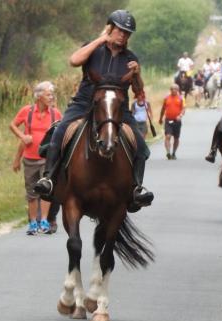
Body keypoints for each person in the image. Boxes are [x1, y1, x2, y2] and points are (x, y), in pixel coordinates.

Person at [34, 10, 154, 211]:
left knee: (141, 147)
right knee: (59, 132)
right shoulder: (93, 49)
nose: (123, 35)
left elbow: (139, 92)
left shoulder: (131, 58)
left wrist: (137, 74)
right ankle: (49, 179)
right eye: (120, 31)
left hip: (118, 109)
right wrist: (101, 40)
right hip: (84, 103)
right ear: (110, 28)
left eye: (127, 33)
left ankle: (136, 189)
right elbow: (74, 60)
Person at [10, 81, 62, 235]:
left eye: (52, 94)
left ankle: (44, 221)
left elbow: (63, 132)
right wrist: (22, 136)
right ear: (39, 97)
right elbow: (12, 125)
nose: (51, 97)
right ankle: (33, 223)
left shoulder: (56, 114)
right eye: (48, 94)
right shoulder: (27, 111)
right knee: (32, 192)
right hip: (30, 159)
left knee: (46, 190)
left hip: (48, 160)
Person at [159, 84, 185, 160]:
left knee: (176, 138)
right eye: (172, 89)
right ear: (170, 90)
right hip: (168, 120)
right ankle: (168, 152)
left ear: (178, 90)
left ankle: (174, 153)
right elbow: (163, 109)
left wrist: (180, 115)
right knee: (168, 136)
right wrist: (160, 118)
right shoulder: (166, 98)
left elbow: (183, 109)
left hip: (177, 121)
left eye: (175, 89)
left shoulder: (181, 98)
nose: (174, 90)